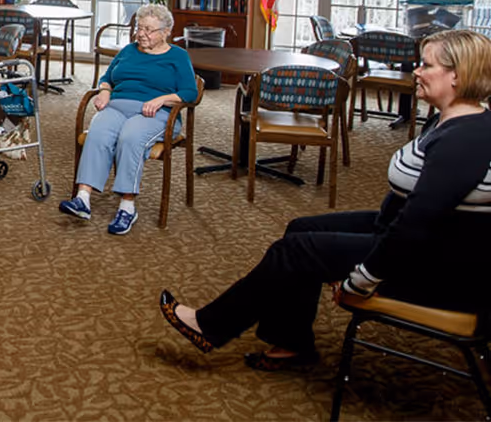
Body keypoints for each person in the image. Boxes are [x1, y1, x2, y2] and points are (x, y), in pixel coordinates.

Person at [159, 29, 491, 371]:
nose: (416, 71)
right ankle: (291, 343)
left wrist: (361, 278)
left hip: (438, 265)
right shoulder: (449, 120)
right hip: (418, 237)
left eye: (426, 65)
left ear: (459, 76)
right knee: (300, 228)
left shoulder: (465, 140)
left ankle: (210, 325)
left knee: (293, 251)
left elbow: (415, 227)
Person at [58, 3, 197, 235]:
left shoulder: (178, 56)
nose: (141, 34)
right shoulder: (129, 50)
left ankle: (127, 206)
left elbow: (190, 93)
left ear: (165, 32)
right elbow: (108, 77)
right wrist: (104, 90)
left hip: (155, 113)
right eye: (139, 28)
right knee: (98, 131)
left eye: (149, 30)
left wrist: (163, 99)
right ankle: (83, 199)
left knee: (131, 137)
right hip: (118, 106)